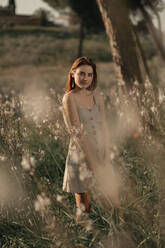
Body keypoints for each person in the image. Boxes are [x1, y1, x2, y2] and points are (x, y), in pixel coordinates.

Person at [62, 56, 120, 223]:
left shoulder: (97, 96)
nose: (85, 78)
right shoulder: (69, 98)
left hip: (101, 152)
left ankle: (119, 232)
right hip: (80, 155)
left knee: (113, 202)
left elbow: (105, 127)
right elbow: (77, 132)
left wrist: (106, 156)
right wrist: (93, 162)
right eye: (81, 74)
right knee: (84, 208)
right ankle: (83, 238)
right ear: (73, 74)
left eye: (89, 75)